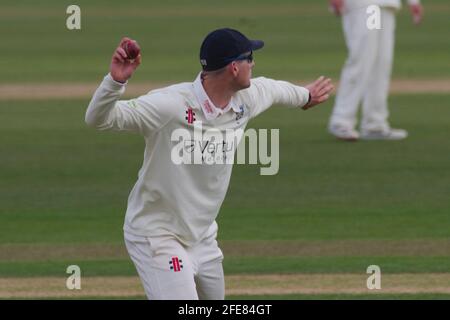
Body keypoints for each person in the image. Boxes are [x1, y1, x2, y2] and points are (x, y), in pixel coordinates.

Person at [85, 28, 333, 300]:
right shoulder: (170, 105)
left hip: (202, 236)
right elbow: (98, 119)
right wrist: (114, 82)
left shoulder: (245, 100)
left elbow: (275, 90)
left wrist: (306, 97)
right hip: (158, 235)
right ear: (234, 68)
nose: (254, 64)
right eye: (250, 58)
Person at [328, 0, 423, 141]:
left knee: (381, 63)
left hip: (385, 5)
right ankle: (341, 120)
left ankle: (375, 124)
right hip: (367, 5)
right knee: (362, 59)